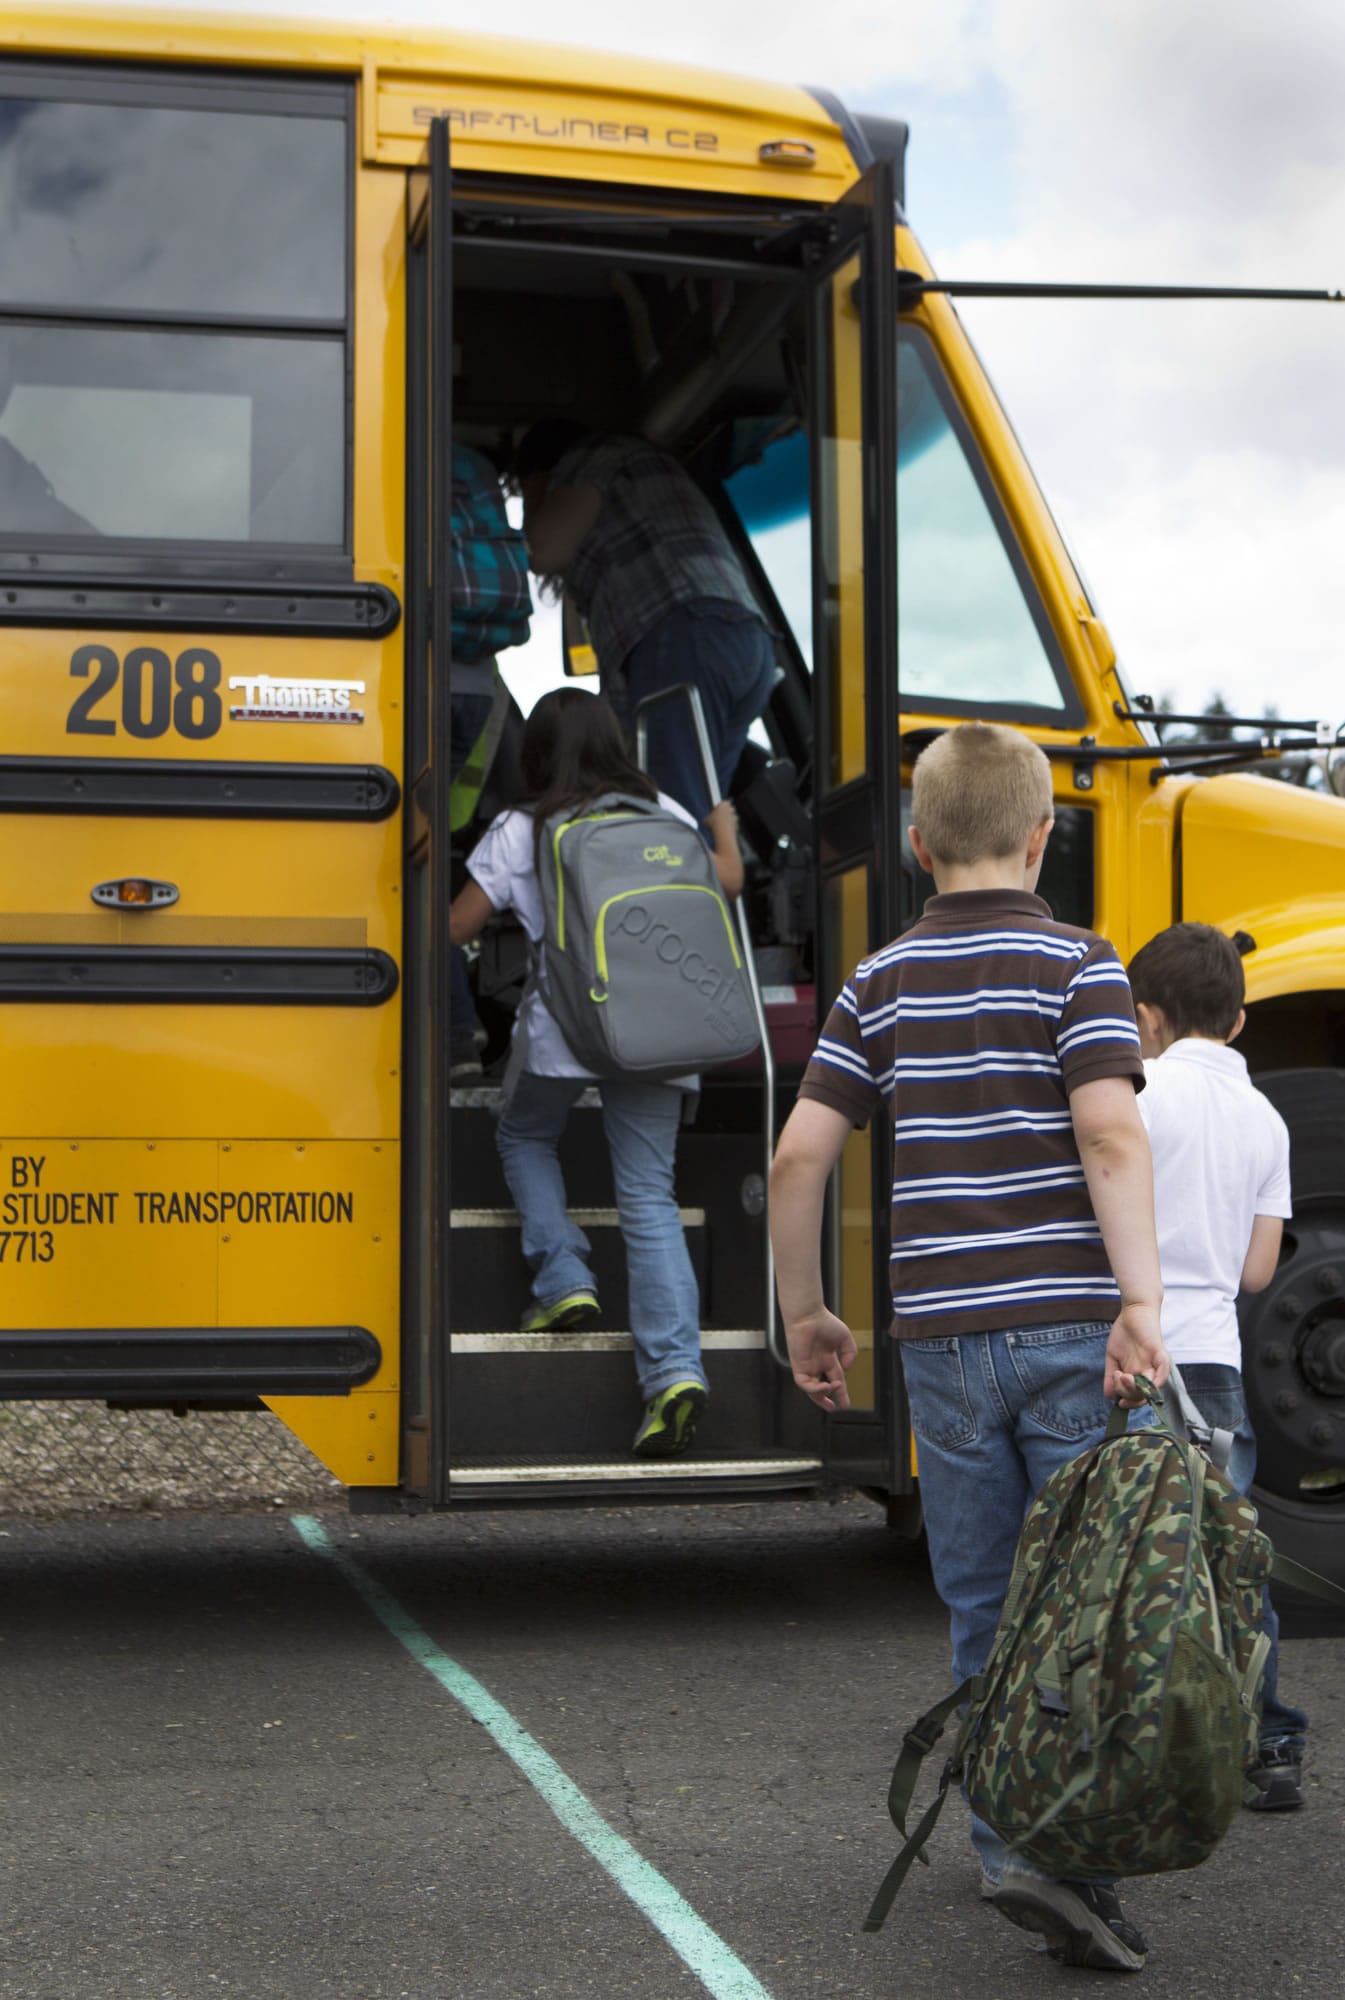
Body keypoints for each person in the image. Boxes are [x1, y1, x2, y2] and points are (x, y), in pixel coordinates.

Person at [768, 721, 1169, 1974]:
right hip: (1068, 1329)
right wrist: (1141, 1300)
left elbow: (798, 1155)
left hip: (939, 1341)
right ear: (1044, 833)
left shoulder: (877, 982)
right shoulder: (1079, 965)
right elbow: (1109, 1138)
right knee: (1091, 1597)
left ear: (915, 842)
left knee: (984, 1593)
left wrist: (806, 1310)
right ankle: (1071, 1849)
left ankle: (1004, 1834)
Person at [447, 687, 743, 1457]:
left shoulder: (523, 825)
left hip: (565, 1032)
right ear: (618, 745)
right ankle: (675, 1373)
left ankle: (564, 1278)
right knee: (649, 1196)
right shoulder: (664, 813)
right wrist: (724, 831)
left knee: (522, 1136)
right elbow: (728, 883)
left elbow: (454, 927)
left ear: (536, 755)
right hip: (656, 1030)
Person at [1127, 921, 1308, 1810]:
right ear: (1236, 1022)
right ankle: (1268, 1742)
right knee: (1228, 1560)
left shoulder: (1136, 1093)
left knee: (1128, 1559)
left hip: (1133, 1357)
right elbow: (1256, 1273)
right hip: (1215, 1368)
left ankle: (1135, 1747)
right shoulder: (1266, 1118)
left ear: (1145, 1016)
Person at [514, 423, 776, 828]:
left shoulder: (589, 458)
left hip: (686, 634)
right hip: (744, 641)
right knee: (700, 821)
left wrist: (533, 491)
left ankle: (676, 890)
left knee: (667, 822)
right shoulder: (639, 466)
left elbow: (543, 549)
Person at [447, 440, 533, 1081]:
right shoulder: (473, 469)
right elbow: (520, 782)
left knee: (400, 868)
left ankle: (449, 1034)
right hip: (474, 690)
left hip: (402, 681)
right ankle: (466, 1032)